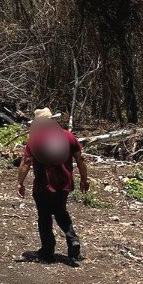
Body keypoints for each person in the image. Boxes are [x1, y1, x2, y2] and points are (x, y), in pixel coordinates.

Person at [17, 107, 89, 263]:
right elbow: (80, 159)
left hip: (43, 183)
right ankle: (72, 238)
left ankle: (47, 250)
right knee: (61, 211)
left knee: (44, 216)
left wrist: (20, 182)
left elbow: (26, 162)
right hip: (65, 182)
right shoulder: (67, 136)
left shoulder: (35, 139)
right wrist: (84, 178)